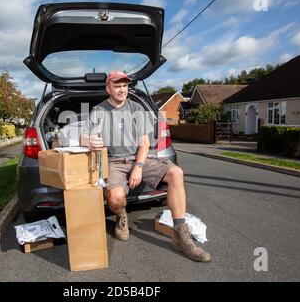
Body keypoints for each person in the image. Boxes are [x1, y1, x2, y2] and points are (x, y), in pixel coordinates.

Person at [80, 70, 211, 263]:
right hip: (113, 162)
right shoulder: (98, 111)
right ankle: (121, 215)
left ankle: (180, 234)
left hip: (139, 158)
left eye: (125, 85)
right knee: (115, 199)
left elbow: (144, 142)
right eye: (117, 86)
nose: (122, 89)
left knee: (176, 172)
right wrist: (88, 141)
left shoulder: (137, 109)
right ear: (108, 88)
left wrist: (139, 167)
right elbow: (83, 136)